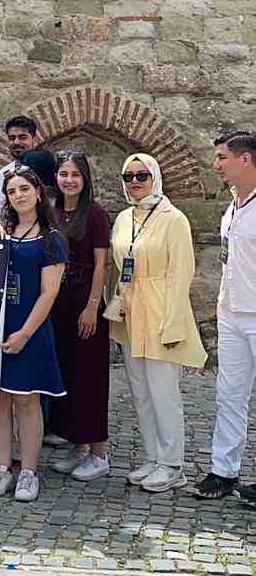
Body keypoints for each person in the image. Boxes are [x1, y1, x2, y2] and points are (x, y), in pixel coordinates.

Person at [104, 153, 205, 493]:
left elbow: (181, 274)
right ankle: (152, 457)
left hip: (162, 312)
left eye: (141, 176)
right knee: (141, 392)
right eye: (129, 176)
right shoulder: (123, 218)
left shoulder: (173, 219)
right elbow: (118, 268)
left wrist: (175, 324)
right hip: (132, 314)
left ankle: (173, 464)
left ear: (155, 177)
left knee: (164, 393)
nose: (134, 182)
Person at [0, 166, 67, 502]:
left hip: (29, 329)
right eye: (12, 191)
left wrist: (24, 334)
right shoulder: (1, 232)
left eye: (24, 189)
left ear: (37, 193)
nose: (18, 195)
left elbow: (49, 294)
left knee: (28, 401)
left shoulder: (51, 239)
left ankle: (29, 471)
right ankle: (3, 467)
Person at [194, 132, 256, 503]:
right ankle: (223, 471)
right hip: (231, 311)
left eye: (221, 157)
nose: (216, 164)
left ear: (245, 159)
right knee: (229, 394)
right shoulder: (233, 204)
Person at [47, 150, 111, 481]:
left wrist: (92, 305)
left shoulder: (96, 214)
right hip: (58, 302)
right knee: (67, 374)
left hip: (85, 300)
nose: (69, 180)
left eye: (75, 174)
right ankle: (79, 447)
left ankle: (99, 452)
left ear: (84, 179)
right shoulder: (54, 212)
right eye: (63, 174)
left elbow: (102, 263)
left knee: (89, 378)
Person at [0, 115, 40, 214]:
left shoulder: (45, 169)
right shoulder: (4, 173)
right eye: (12, 138)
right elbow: (1, 209)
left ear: (34, 139)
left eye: (22, 137)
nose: (16, 142)